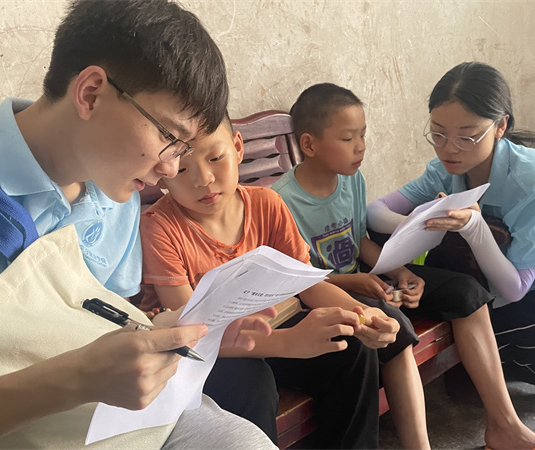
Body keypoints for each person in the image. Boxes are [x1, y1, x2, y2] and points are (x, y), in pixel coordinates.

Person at [0, 1, 277, 448]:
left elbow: (93, 321)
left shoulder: (117, 196)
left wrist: (176, 333)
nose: (172, 169)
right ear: (91, 93)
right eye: (169, 137)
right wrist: (77, 379)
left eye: (184, 149)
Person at [274, 82, 535, 450]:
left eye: (363, 135)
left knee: (466, 291)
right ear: (309, 144)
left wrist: (400, 271)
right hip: (327, 292)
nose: (361, 147)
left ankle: (505, 426)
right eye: (349, 138)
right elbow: (299, 281)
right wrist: (358, 281)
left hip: (366, 278)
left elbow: (360, 241)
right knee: (395, 326)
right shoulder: (281, 202)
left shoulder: (351, 181)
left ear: (500, 126)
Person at [137, 112, 421, 449]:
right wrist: (287, 342)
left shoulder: (267, 204)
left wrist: (365, 315)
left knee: (350, 343)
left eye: (215, 158)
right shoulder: (160, 227)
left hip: (274, 327)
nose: (204, 179)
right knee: (251, 384)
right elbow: (190, 333)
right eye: (183, 169)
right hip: (209, 352)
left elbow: (308, 285)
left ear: (237, 147)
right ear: (164, 172)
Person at [368, 61, 535, 409]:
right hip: (505, 287)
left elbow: (514, 288)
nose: (449, 149)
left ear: (501, 126)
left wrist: (474, 227)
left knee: (472, 334)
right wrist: (422, 220)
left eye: (467, 137)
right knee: (465, 326)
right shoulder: (444, 170)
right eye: (438, 134)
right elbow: (375, 212)